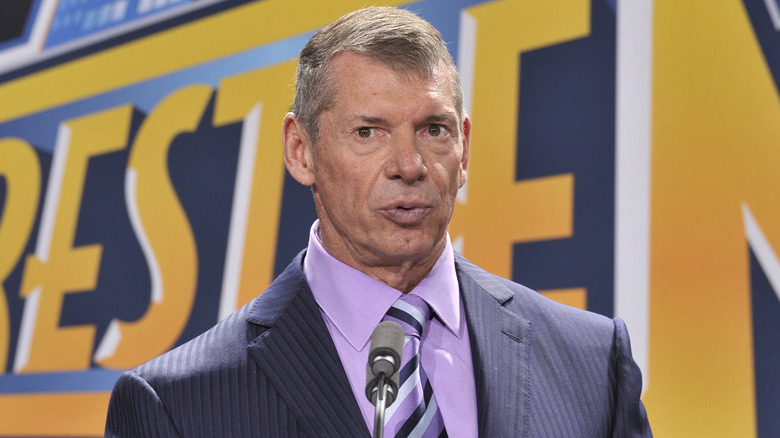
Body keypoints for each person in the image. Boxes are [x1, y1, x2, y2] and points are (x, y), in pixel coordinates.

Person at [105, 6, 651, 437]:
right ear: (301, 151)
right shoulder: (178, 406)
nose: (409, 166)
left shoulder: (591, 363)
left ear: (465, 148)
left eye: (433, 130)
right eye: (369, 132)